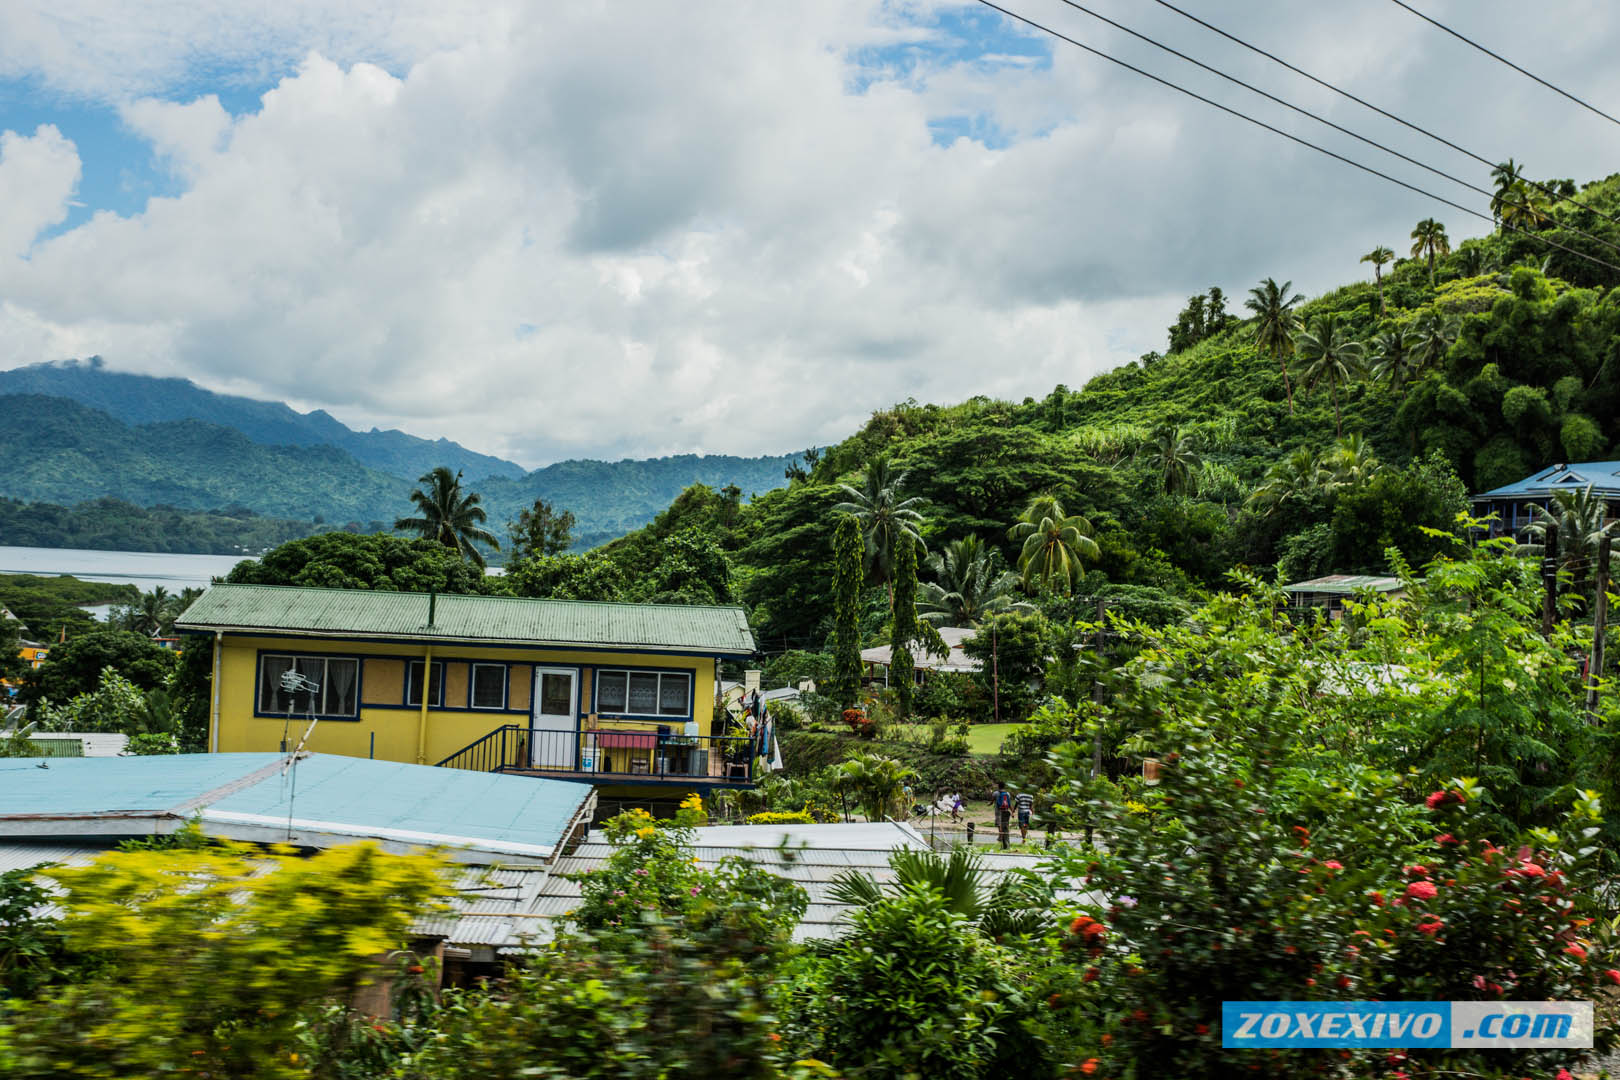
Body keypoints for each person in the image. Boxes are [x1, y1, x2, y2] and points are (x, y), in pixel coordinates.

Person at [992, 780, 1013, 849]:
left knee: (999, 823)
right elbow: (1009, 803)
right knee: (1005, 824)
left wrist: (990, 803)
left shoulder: (995, 793)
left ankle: (1000, 835)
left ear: (998, 786)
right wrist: (1012, 811)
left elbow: (992, 800)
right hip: (1006, 811)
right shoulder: (1008, 793)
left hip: (998, 811)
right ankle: (1002, 836)